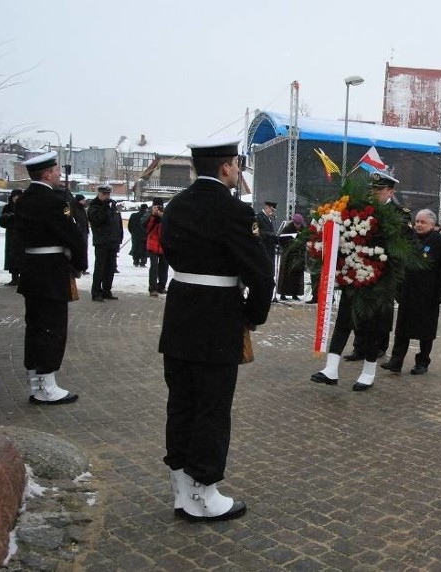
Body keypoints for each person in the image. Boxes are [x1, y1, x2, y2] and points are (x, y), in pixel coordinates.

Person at [159, 138, 274, 522]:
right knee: (211, 406)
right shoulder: (232, 210)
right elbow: (259, 273)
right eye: (236, 166)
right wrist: (252, 316)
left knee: (181, 403)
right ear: (227, 167)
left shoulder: (176, 205)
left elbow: (170, 254)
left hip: (179, 312)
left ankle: (181, 488)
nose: (237, 171)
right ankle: (204, 492)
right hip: (217, 315)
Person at [312, 170, 408, 391]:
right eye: (372, 189)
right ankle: (331, 369)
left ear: (390, 192)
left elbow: (401, 247)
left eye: (379, 190)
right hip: (354, 275)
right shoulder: (358, 210)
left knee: (372, 329)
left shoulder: (399, 214)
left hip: (379, 281)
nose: (374, 193)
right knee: (344, 321)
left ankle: (368, 372)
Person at [13, 151, 87, 404]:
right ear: (46, 173)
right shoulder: (53, 200)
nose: (58, 173)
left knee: (35, 327)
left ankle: (35, 382)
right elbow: (72, 235)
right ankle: (47, 385)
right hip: (52, 270)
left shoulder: (23, 200)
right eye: (56, 170)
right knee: (52, 328)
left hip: (32, 268)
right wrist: (79, 263)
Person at [381, 209, 441, 375]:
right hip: (408, 292)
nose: (418, 225)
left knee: (425, 331)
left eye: (422, 222)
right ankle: (396, 361)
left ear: (432, 225)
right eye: (417, 222)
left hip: (429, 294)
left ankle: (422, 362)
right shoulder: (408, 239)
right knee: (402, 329)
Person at [87, 185, 123, 301]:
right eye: (104, 194)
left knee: (110, 268)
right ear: (99, 194)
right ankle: (96, 292)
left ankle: (107, 290)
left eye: (108, 194)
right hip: (102, 242)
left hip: (113, 241)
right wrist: (104, 207)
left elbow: (118, 221)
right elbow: (97, 219)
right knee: (100, 268)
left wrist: (119, 237)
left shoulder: (112, 205)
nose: (106, 196)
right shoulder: (94, 206)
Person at [277, 213, 305, 301]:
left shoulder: (303, 229)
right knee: (285, 275)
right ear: (293, 222)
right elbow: (281, 240)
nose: (298, 226)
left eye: (299, 225)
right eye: (297, 224)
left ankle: (295, 294)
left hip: (298, 256)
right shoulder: (287, 229)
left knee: (296, 275)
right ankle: (283, 294)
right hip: (287, 256)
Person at [144, 198, 168, 297]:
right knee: (154, 266)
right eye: (156, 206)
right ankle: (153, 288)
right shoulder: (149, 213)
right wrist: (153, 215)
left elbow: (170, 225)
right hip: (152, 243)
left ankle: (161, 286)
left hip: (163, 244)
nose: (158, 208)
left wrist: (163, 216)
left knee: (164, 267)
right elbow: (145, 226)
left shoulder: (166, 213)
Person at [0, 189, 24, 286]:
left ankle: (22, 278)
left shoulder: (25, 207)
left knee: (21, 256)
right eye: (15, 196)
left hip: (21, 235)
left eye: (18, 196)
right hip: (11, 235)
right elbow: (2, 221)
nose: (16, 198)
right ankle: (14, 278)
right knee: (11, 256)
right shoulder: (8, 207)